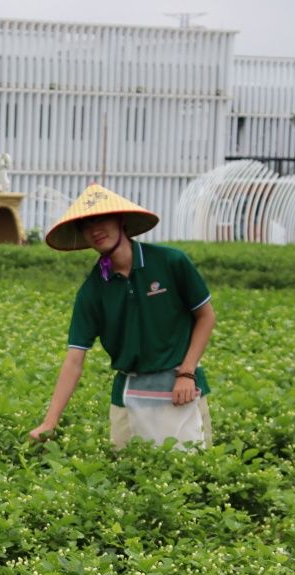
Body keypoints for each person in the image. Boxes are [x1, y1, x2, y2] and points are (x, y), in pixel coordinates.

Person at [29, 184, 216, 449]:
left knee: (194, 472)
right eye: (86, 224)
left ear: (120, 220)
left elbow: (206, 316)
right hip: (130, 395)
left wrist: (187, 373)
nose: (95, 229)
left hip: (181, 387)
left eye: (101, 218)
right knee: (129, 474)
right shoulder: (92, 290)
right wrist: (49, 422)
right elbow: (74, 359)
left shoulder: (171, 262)